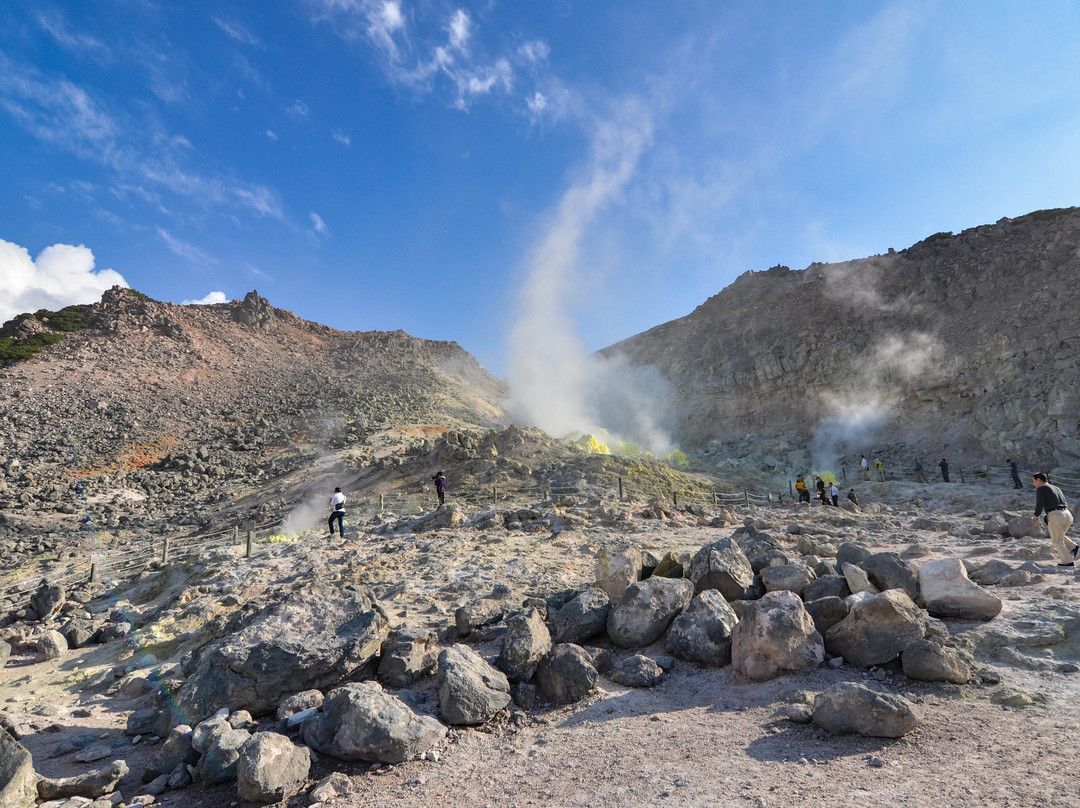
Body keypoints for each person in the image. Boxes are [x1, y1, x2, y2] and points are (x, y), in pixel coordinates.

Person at [1031, 472, 1077, 567]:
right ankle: (1075, 549)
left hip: (1056, 515)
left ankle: (1068, 562)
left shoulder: (1041, 489)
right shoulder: (1056, 488)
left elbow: (1039, 504)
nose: (1033, 483)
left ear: (1038, 480)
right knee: (1059, 535)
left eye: (1033, 481)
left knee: (1057, 540)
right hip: (1067, 514)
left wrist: (1036, 516)